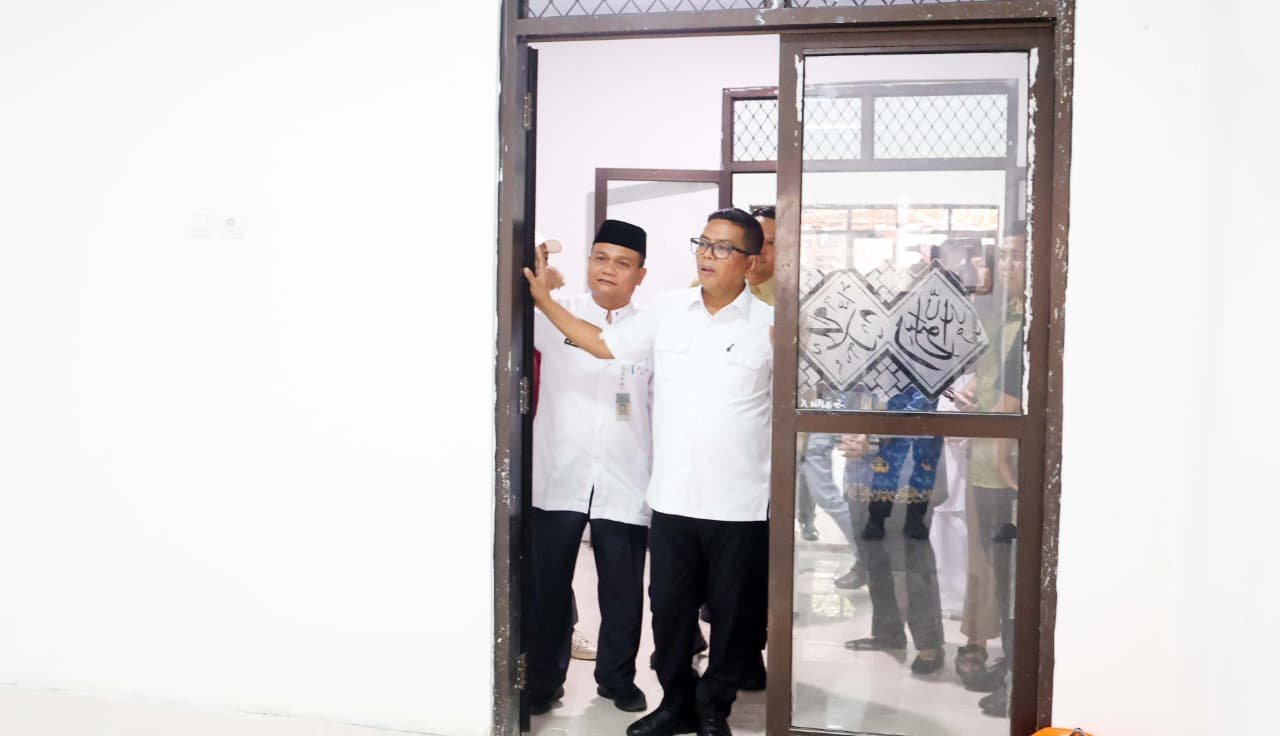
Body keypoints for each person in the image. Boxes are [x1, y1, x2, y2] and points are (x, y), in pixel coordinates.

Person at [525, 208, 772, 736]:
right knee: (658, 609)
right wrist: (544, 296)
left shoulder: (767, 325)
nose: (707, 255)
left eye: (722, 247)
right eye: (703, 244)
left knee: (706, 611)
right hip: (633, 488)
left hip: (704, 492)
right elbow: (601, 344)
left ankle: (688, 702)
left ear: (751, 263)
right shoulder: (666, 312)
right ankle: (659, 699)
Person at [525, 219, 655, 716]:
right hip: (559, 471)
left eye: (622, 263)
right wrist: (541, 273)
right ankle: (542, 681)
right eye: (600, 257)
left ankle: (617, 679)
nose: (608, 269)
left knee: (622, 589)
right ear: (587, 262)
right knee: (549, 588)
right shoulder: (552, 313)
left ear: (640, 274)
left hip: (626, 475)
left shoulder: (651, 328)